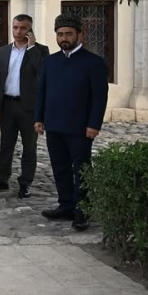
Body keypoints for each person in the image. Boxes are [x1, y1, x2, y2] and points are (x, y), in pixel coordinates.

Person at [36, 14, 109, 231]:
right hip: (54, 124)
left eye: (68, 34)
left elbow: (99, 98)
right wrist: (39, 118)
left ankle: (82, 211)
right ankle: (66, 205)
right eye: (60, 34)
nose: (64, 38)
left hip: (80, 128)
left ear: (80, 35)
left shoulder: (94, 63)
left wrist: (94, 124)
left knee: (81, 169)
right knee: (60, 167)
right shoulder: (50, 61)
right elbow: (42, 91)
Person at [0, 14, 49, 199]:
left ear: (30, 30)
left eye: (23, 28)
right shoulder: (3, 51)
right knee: (6, 145)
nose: (18, 31)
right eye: (15, 27)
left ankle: (25, 182)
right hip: (7, 104)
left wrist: (32, 47)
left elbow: (43, 73)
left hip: (29, 107)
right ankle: (1, 179)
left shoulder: (40, 50)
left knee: (29, 147)